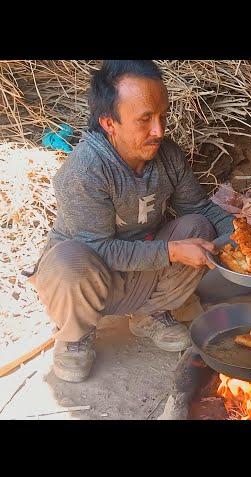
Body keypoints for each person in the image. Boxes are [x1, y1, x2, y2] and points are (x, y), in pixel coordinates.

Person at [28, 60, 235, 383]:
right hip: (92, 276)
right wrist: (172, 252)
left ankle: (148, 314)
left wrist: (243, 235)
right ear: (109, 123)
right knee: (69, 261)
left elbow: (200, 208)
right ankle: (75, 334)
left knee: (197, 227)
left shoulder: (167, 155)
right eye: (145, 120)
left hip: (142, 270)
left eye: (163, 116)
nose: (159, 131)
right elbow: (99, 249)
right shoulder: (85, 170)